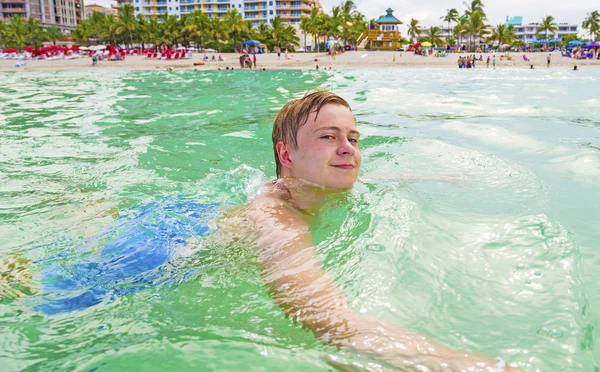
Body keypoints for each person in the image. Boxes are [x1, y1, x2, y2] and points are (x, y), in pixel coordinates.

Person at [217, 91, 516, 371]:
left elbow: (376, 178)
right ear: (286, 156)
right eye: (328, 136)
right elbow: (330, 322)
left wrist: (441, 179)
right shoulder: (273, 215)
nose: (348, 148)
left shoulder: (326, 184)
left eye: (353, 139)